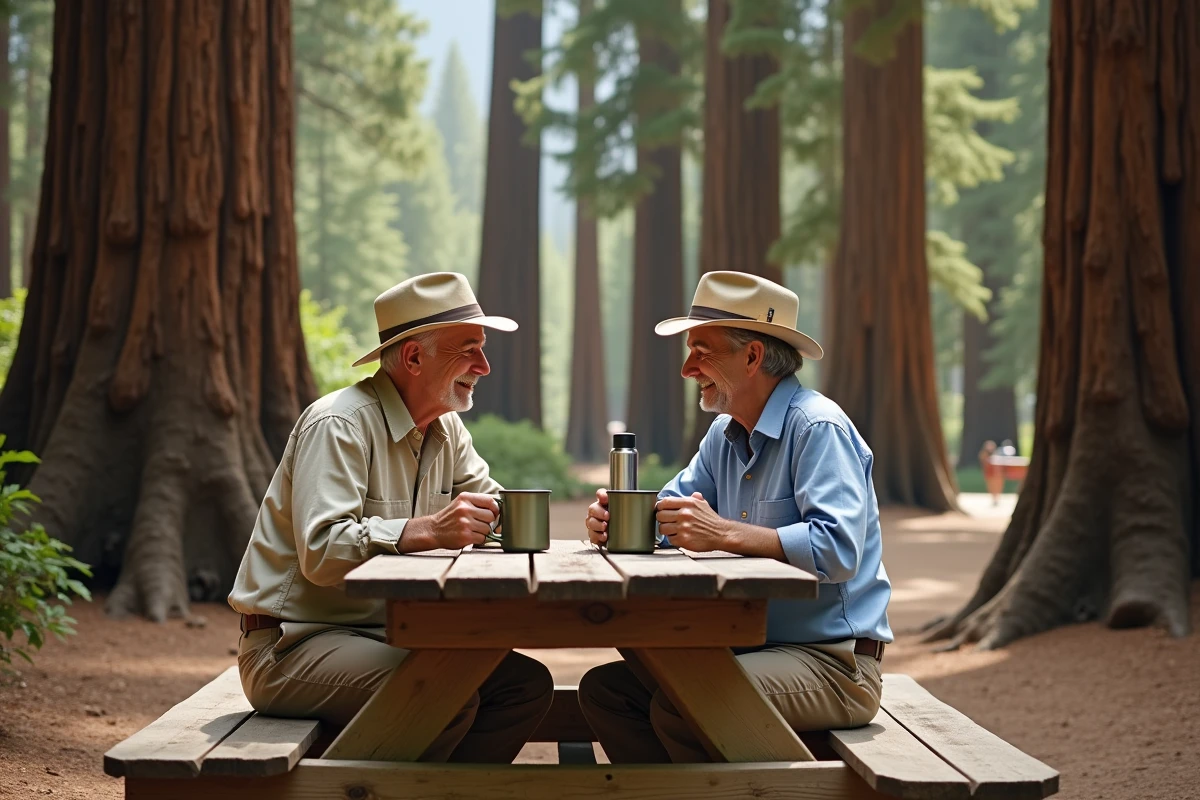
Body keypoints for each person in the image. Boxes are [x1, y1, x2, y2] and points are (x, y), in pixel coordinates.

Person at [228, 272, 553, 762]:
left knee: (523, 685)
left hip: (390, 634)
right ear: (414, 357)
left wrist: (602, 518)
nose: (484, 366)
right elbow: (321, 552)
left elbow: (492, 504)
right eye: (469, 349)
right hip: (293, 645)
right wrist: (426, 530)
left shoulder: (446, 428)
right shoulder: (338, 423)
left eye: (482, 349)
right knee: (445, 694)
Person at [580, 270, 893, 763]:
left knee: (689, 704)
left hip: (833, 664)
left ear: (752, 357)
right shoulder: (724, 434)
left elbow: (838, 551)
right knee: (608, 692)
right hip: (745, 649)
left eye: (701, 351)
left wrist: (725, 532)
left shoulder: (818, 428)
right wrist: (616, 520)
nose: (687, 369)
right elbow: (667, 515)